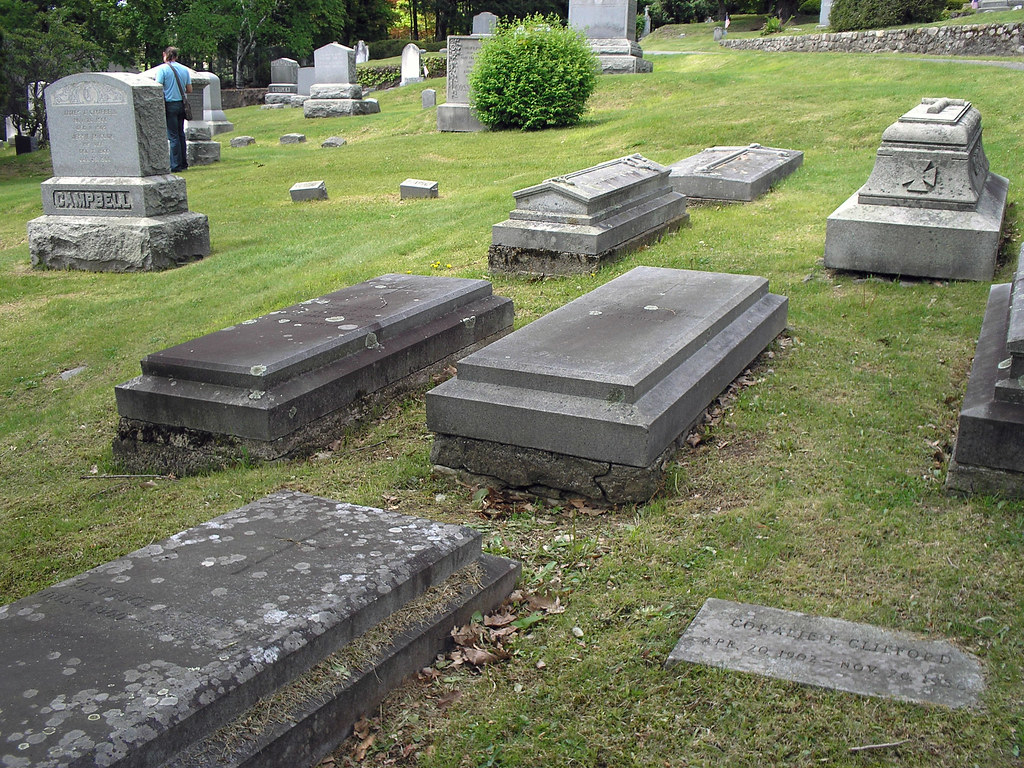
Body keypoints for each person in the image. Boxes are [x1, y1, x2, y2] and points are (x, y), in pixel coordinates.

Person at [155, 47, 192, 173]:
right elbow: (189, 89)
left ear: (164, 55)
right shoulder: (184, 69)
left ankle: (175, 165)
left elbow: (158, 87)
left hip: (169, 104)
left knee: (173, 136)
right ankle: (183, 163)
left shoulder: (162, 69)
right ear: (176, 56)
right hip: (181, 104)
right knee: (181, 133)